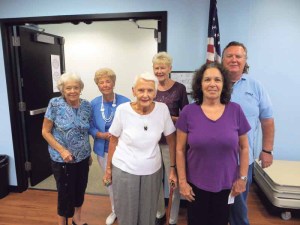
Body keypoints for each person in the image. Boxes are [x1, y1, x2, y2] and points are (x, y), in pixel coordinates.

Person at [176, 63, 251, 225]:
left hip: (226, 185)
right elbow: (180, 149)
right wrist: (182, 181)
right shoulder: (189, 112)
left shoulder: (235, 110)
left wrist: (243, 178)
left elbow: (244, 148)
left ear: (224, 84)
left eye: (217, 79)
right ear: (200, 84)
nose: (212, 84)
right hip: (195, 185)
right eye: (207, 79)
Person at [103, 72, 177, 225]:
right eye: (141, 90)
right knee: (127, 213)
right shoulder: (123, 110)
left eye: (150, 90)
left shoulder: (162, 109)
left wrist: (172, 168)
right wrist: (108, 169)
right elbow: (113, 140)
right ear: (133, 91)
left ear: (155, 92)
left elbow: (171, 139)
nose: (145, 95)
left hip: (152, 170)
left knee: (148, 214)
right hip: (124, 168)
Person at [222, 41, 275, 225]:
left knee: (238, 209)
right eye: (229, 56)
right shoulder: (213, 84)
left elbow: (267, 120)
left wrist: (267, 150)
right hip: (215, 161)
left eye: (238, 56)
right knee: (216, 208)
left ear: (245, 60)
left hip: (242, 161)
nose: (234, 59)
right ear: (222, 59)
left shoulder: (255, 87)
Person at [42, 72, 91, 225]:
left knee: (79, 190)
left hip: (82, 157)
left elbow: (85, 131)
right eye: (68, 88)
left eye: (76, 87)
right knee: (65, 194)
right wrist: (62, 151)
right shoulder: (55, 104)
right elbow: (45, 131)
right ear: (62, 89)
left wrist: (88, 154)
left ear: (81, 88)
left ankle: (77, 220)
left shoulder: (86, 105)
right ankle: (62, 223)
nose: (72, 91)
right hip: (61, 159)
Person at [89, 68, 130, 225]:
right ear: (98, 85)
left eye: (108, 81)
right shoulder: (93, 103)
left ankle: (127, 209)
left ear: (113, 83)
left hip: (122, 149)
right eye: (101, 82)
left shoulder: (125, 101)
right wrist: (99, 134)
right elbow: (89, 125)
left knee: (124, 181)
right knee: (109, 181)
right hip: (102, 149)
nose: (105, 85)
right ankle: (115, 210)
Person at [152, 52, 189, 225]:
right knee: (155, 180)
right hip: (151, 143)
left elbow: (187, 116)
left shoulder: (179, 88)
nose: (159, 71)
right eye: (156, 68)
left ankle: (172, 218)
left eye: (163, 67)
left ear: (170, 69)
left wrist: (168, 118)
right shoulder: (150, 87)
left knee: (173, 180)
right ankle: (160, 213)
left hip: (171, 143)